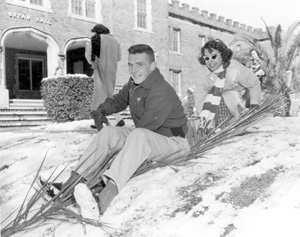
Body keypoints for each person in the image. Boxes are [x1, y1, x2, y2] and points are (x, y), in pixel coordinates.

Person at [42, 44, 190, 218]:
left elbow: (145, 129)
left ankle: (101, 201)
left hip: (174, 144)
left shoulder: (161, 90)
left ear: (153, 66)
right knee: (109, 133)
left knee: (138, 135)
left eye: (139, 64)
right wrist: (101, 110)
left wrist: (111, 160)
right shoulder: (135, 83)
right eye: (130, 65)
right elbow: (120, 100)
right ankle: (68, 187)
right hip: (149, 137)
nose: (133, 70)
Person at [196, 39, 261, 132]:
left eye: (214, 56)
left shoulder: (234, 68)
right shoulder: (202, 72)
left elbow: (254, 82)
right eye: (206, 58)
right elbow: (200, 99)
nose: (210, 61)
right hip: (213, 106)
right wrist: (208, 126)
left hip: (234, 102)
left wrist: (254, 105)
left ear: (222, 55)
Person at [85, 24, 125, 128]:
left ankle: (103, 121)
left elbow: (89, 55)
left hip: (100, 68)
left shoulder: (95, 39)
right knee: (108, 95)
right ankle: (113, 119)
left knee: (100, 96)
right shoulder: (115, 42)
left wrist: (93, 62)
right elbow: (118, 57)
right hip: (111, 70)